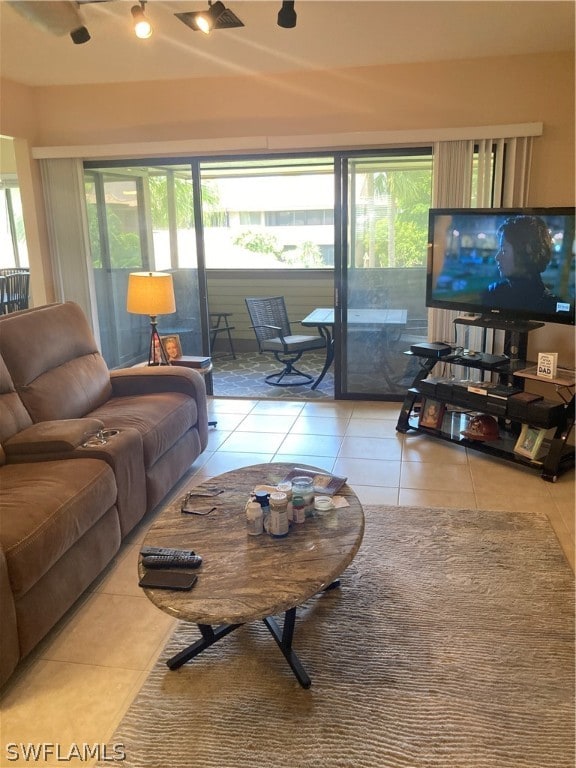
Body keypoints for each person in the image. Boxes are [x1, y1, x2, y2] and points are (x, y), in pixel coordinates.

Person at [481, 215, 558, 312]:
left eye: (504, 250)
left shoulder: (551, 306)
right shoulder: (493, 293)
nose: (497, 257)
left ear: (526, 253)